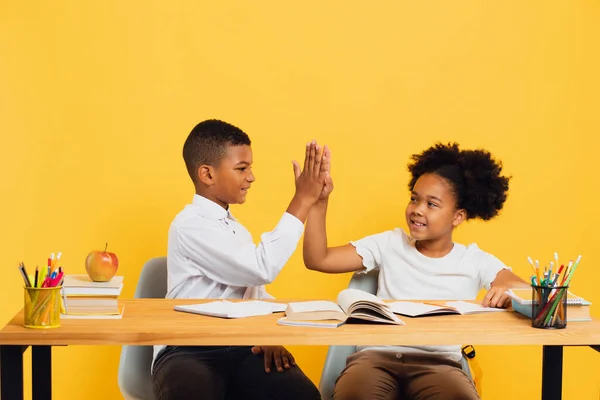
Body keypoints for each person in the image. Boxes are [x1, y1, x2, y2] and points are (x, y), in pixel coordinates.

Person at [303, 142, 528, 400]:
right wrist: (318, 202)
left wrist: (506, 290)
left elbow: (524, 288)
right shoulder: (389, 244)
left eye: (432, 204)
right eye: (414, 198)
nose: (417, 209)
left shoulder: (473, 260)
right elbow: (317, 259)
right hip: (375, 360)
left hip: (439, 365)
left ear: (458, 216)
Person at [152, 119, 325, 400]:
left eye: (250, 167)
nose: (252, 176)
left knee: (300, 394)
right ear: (207, 174)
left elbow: (254, 292)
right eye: (242, 168)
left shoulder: (236, 229)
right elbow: (261, 268)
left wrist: (268, 335)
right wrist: (303, 199)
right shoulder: (189, 225)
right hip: (190, 349)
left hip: (245, 347)